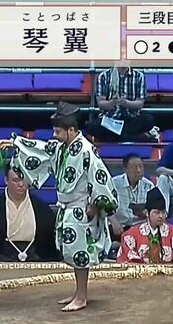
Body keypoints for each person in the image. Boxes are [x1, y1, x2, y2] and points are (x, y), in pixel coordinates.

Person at [10, 102, 118, 312]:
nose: (54, 135)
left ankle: (82, 296)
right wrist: (14, 143)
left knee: (80, 254)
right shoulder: (62, 148)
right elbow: (40, 148)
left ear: (71, 130)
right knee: (72, 252)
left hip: (81, 208)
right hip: (68, 207)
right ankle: (78, 293)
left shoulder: (87, 150)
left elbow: (101, 178)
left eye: (58, 131)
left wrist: (96, 204)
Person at [0, 162, 60, 263]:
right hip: (1, 261)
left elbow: (51, 245)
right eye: (16, 180)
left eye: (24, 180)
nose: (21, 184)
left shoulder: (43, 210)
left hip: (35, 260)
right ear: (6, 180)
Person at [117, 188, 173, 265]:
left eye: (163, 212)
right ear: (147, 213)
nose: (161, 216)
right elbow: (125, 260)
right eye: (157, 212)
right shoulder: (131, 235)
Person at [88, 61, 156, 143]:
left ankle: (117, 137)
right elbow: (101, 104)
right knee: (92, 127)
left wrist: (126, 103)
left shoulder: (139, 76)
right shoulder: (103, 76)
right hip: (110, 119)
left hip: (132, 118)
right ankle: (133, 138)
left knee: (148, 120)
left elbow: (140, 104)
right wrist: (113, 102)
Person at [110, 153, 154, 239]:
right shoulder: (113, 183)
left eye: (141, 166)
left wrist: (146, 214)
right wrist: (113, 220)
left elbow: (154, 211)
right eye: (134, 167)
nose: (138, 170)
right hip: (119, 227)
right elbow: (103, 205)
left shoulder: (149, 186)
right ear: (125, 169)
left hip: (140, 229)